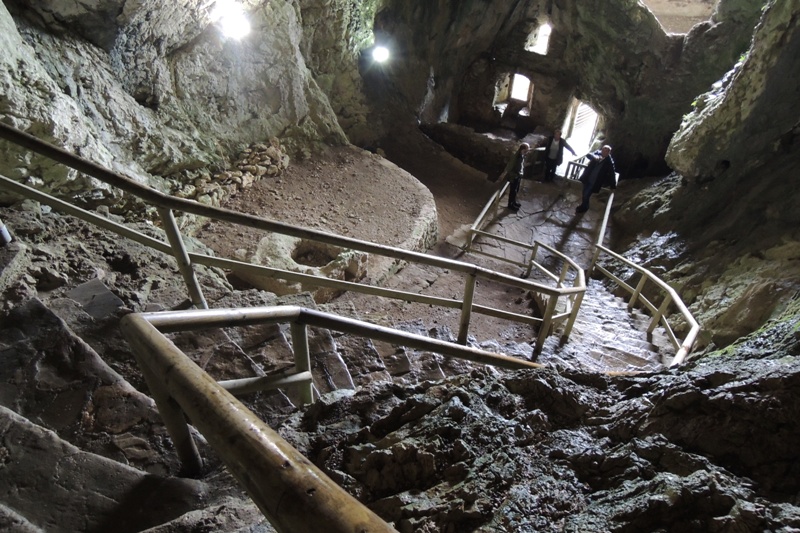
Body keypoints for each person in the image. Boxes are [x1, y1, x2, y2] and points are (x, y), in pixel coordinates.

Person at [576, 145, 616, 213]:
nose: (604, 152)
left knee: (586, 194)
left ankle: (584, 207)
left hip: (595, 181)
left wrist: (613, 186)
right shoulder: (597, 153)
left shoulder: (609, 162)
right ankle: (585, 205)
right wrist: (594, 156)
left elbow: (612, 173)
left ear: (609, 152)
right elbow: (588, 155)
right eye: (603, 150)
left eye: (606, 151)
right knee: (584, 193)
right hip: (588, 178)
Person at [499, 142, 529, 211]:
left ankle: (514, 202)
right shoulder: (516, 157)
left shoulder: (521, 155)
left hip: (518, 175)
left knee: (516, 190)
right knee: (513, 191)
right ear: (523, 149)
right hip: (514, 176)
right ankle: (510, 205)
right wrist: (512, 175)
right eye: (527, 149)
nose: (528, 151)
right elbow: (510, 167)